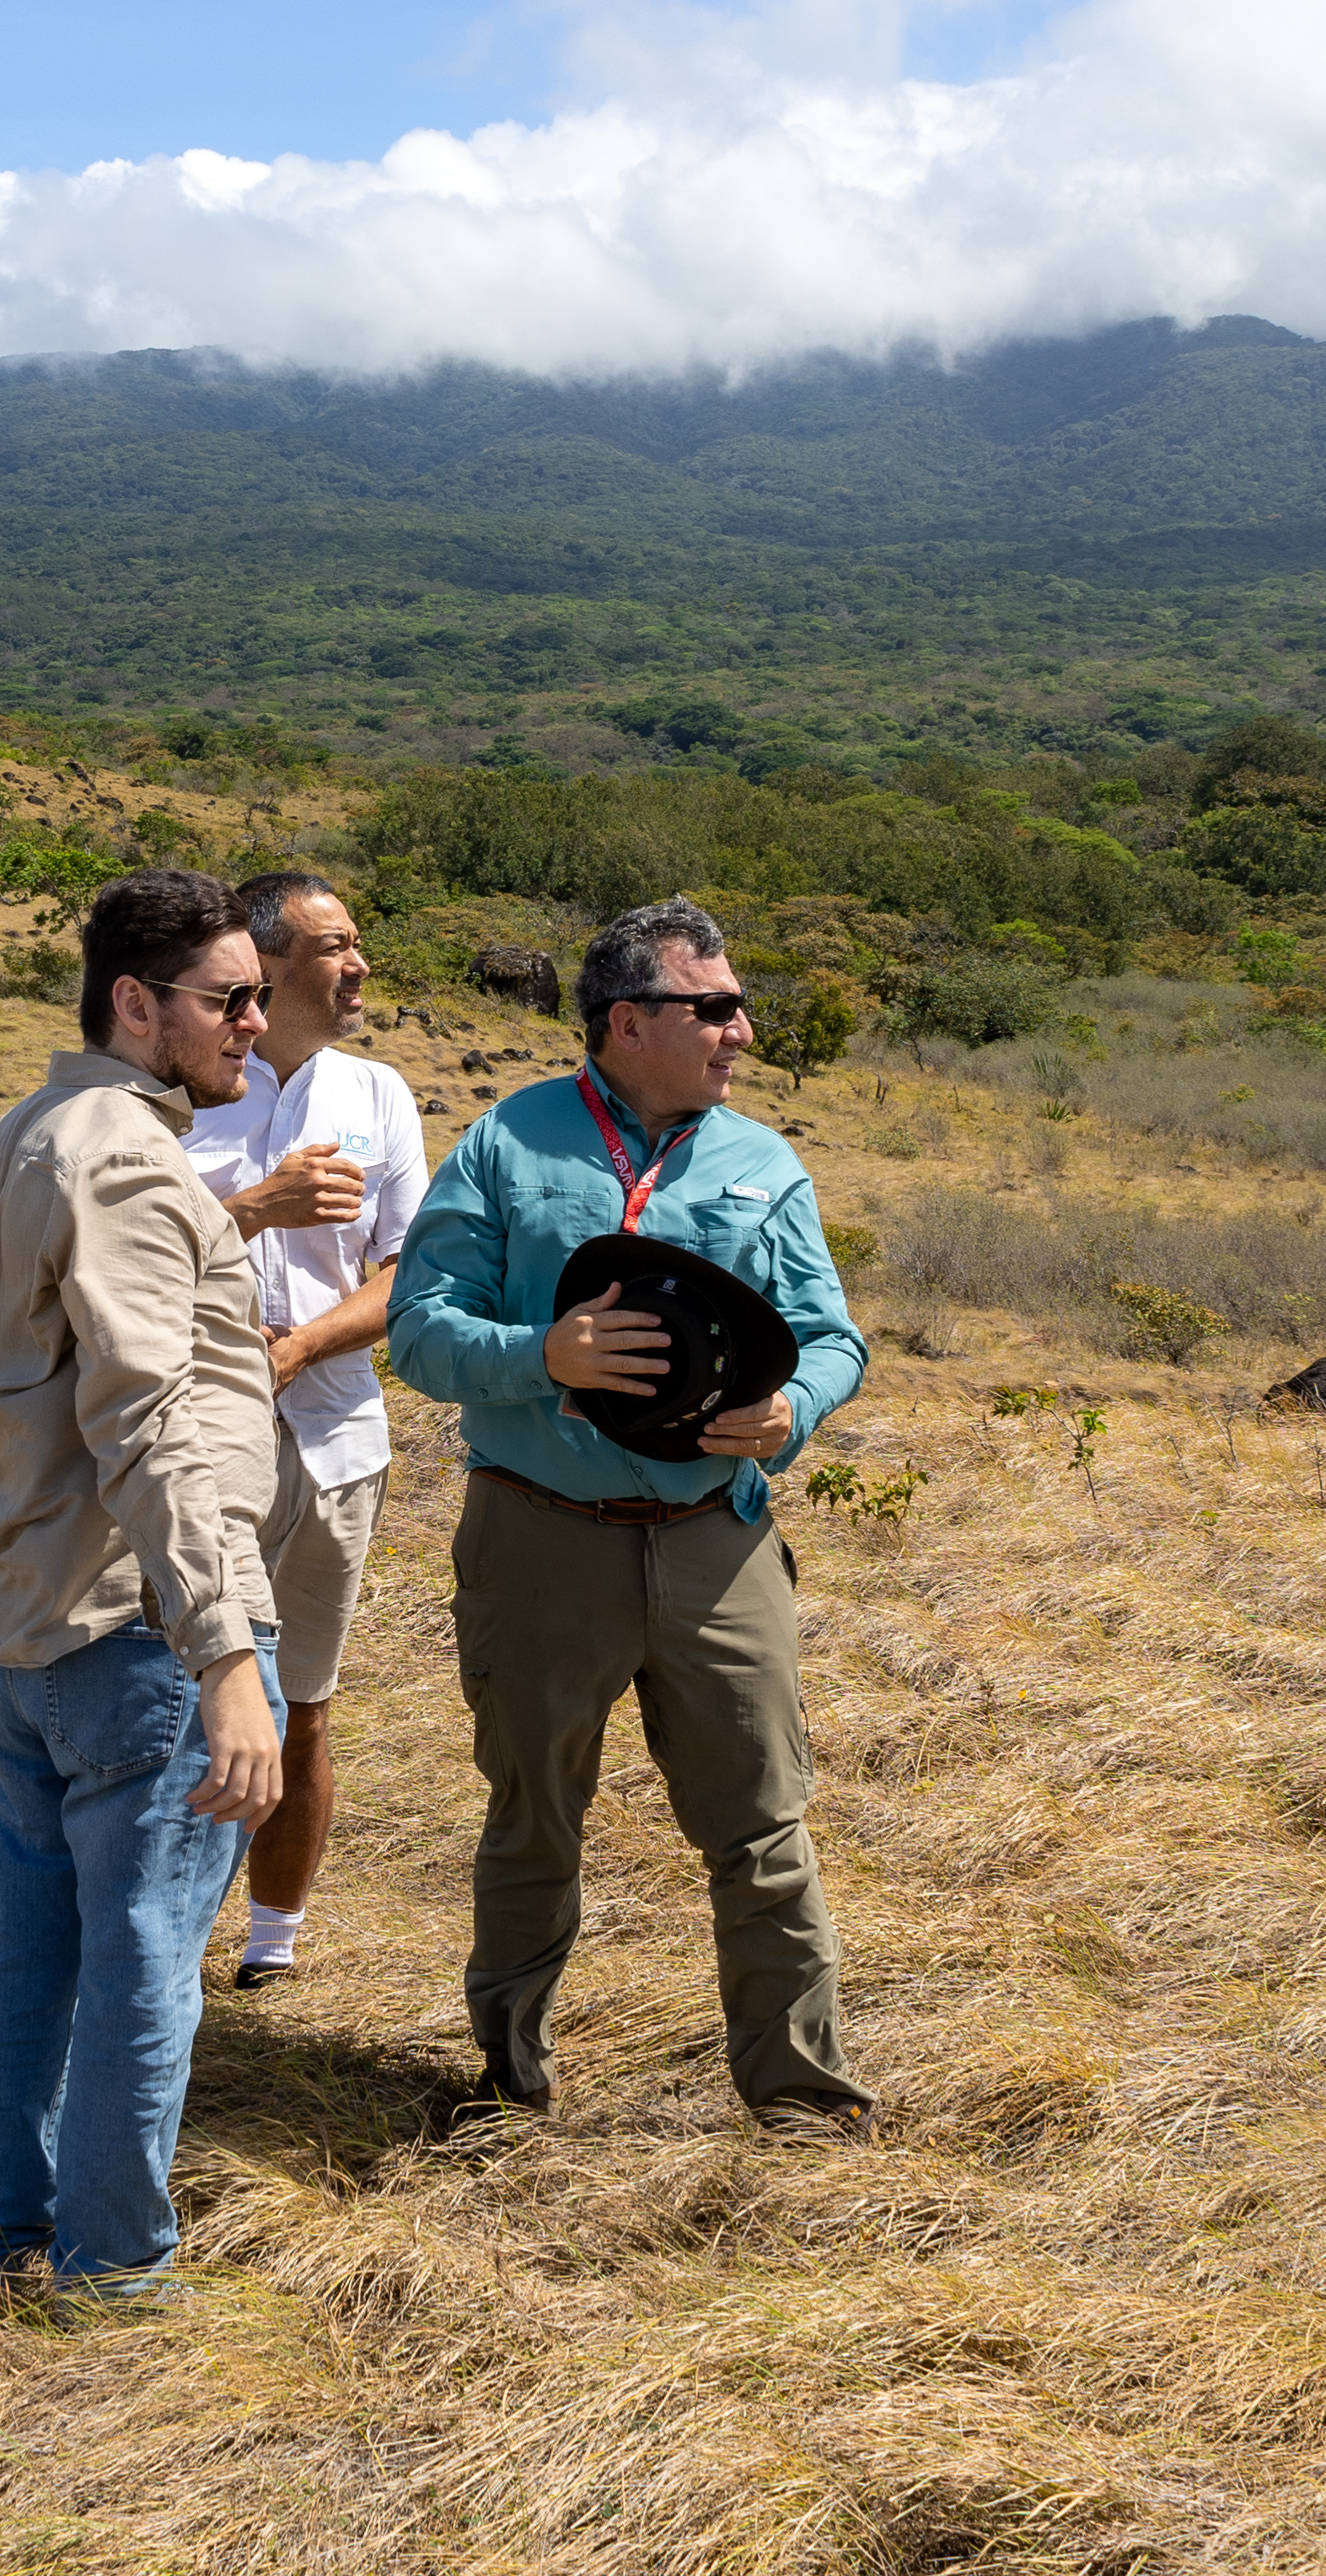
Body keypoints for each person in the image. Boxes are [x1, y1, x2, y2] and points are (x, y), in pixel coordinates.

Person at [384, 896, 879, 2141]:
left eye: (737, 1007)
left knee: (764, 1828)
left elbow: (831, 1337)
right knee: (533, 1819)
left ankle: (804, 2102)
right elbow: (418, 1331)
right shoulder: (505, 1145)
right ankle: (508, 2084)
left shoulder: (767, 1161)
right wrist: (542, 1354)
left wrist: (792, 1411)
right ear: (628, 1020)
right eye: (714, 1007)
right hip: (538, 1534)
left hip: (718, 1542)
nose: (742, 1032)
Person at [0, 867, 287, 2297]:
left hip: (26, 1613)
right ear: (136, 1002)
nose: (254, 1023)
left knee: (33, 1938)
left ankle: (12, 2240)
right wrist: (228, 1653)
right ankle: (114, 2272)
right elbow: (147, 1417)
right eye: (228, 998)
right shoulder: (131, 1161)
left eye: (258, 994)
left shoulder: (32, 1132)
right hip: (135, 1624)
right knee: (142, 1950)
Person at [178, 872, 427, 1993]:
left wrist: (305, 1344)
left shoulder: (378, 1094)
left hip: (334, 1443)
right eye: (337, 946)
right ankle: (160, 1937)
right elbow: (113, 1247)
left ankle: (270, 1945)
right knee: (181, 1694)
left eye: (359, 944)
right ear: (266, 966)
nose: (361, 965)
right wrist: (250, 1211)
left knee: (305, 1702)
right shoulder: (174, 1092)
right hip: (188, 1446)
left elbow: (411, 1269)